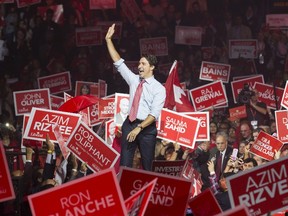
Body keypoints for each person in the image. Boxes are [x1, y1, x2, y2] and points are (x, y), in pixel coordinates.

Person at [105, 24, 166, 171]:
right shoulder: (133, 80)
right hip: (130, 124)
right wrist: (108, 40)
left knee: (147, 167)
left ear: (152, 67)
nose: (139, 66)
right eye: (139, 63)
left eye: (143, 63)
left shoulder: (159, 88)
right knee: (125, 165)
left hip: (147, 129)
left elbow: (153, 115)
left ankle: (147, 193)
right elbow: (118, 62)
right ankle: (124, 193)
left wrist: (139, 128)